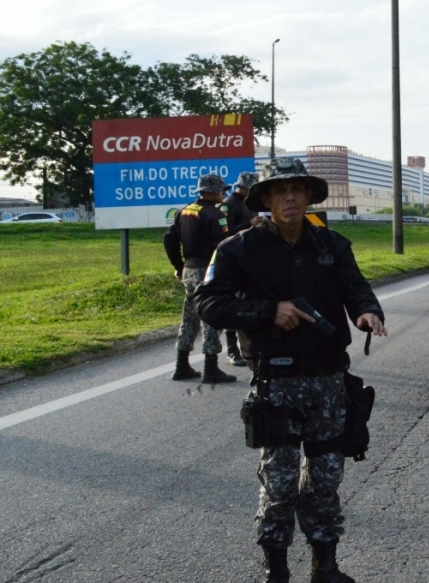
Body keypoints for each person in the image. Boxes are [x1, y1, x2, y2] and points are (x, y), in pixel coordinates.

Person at [195, 157, 386, 583]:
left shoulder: (332, 244)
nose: (290, 198)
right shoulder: (237, 248)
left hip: (328, 380)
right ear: (265, 199)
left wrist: (367, 313)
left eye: (297, 190)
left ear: (309, 196)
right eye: (280, 191)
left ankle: (326, 566)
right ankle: (275, 569)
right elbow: (207, 303)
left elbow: (356, 288)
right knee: (279, 485)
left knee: (326, 479)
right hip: (275, 384)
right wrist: (267, 312)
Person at [163, 173, 235, 383]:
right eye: (222, 190)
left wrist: (178, 266)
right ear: (211, 192)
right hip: (207, 270)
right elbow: (223, 245)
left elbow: (169, 239)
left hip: (189, 269)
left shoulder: (184, 211)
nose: (224, 193)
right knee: (211, 316)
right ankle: (211, 368)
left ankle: (181, 364)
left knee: (190, 317)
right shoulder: (215, 214)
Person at [221, 171, 263, 367]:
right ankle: (232, 350)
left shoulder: (251, 204)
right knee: (234, 304)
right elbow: (224, 232)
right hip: (234, 259)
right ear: (244, 187)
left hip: (251, 258)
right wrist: (248, 224)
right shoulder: (228, 204)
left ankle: (251, 347)